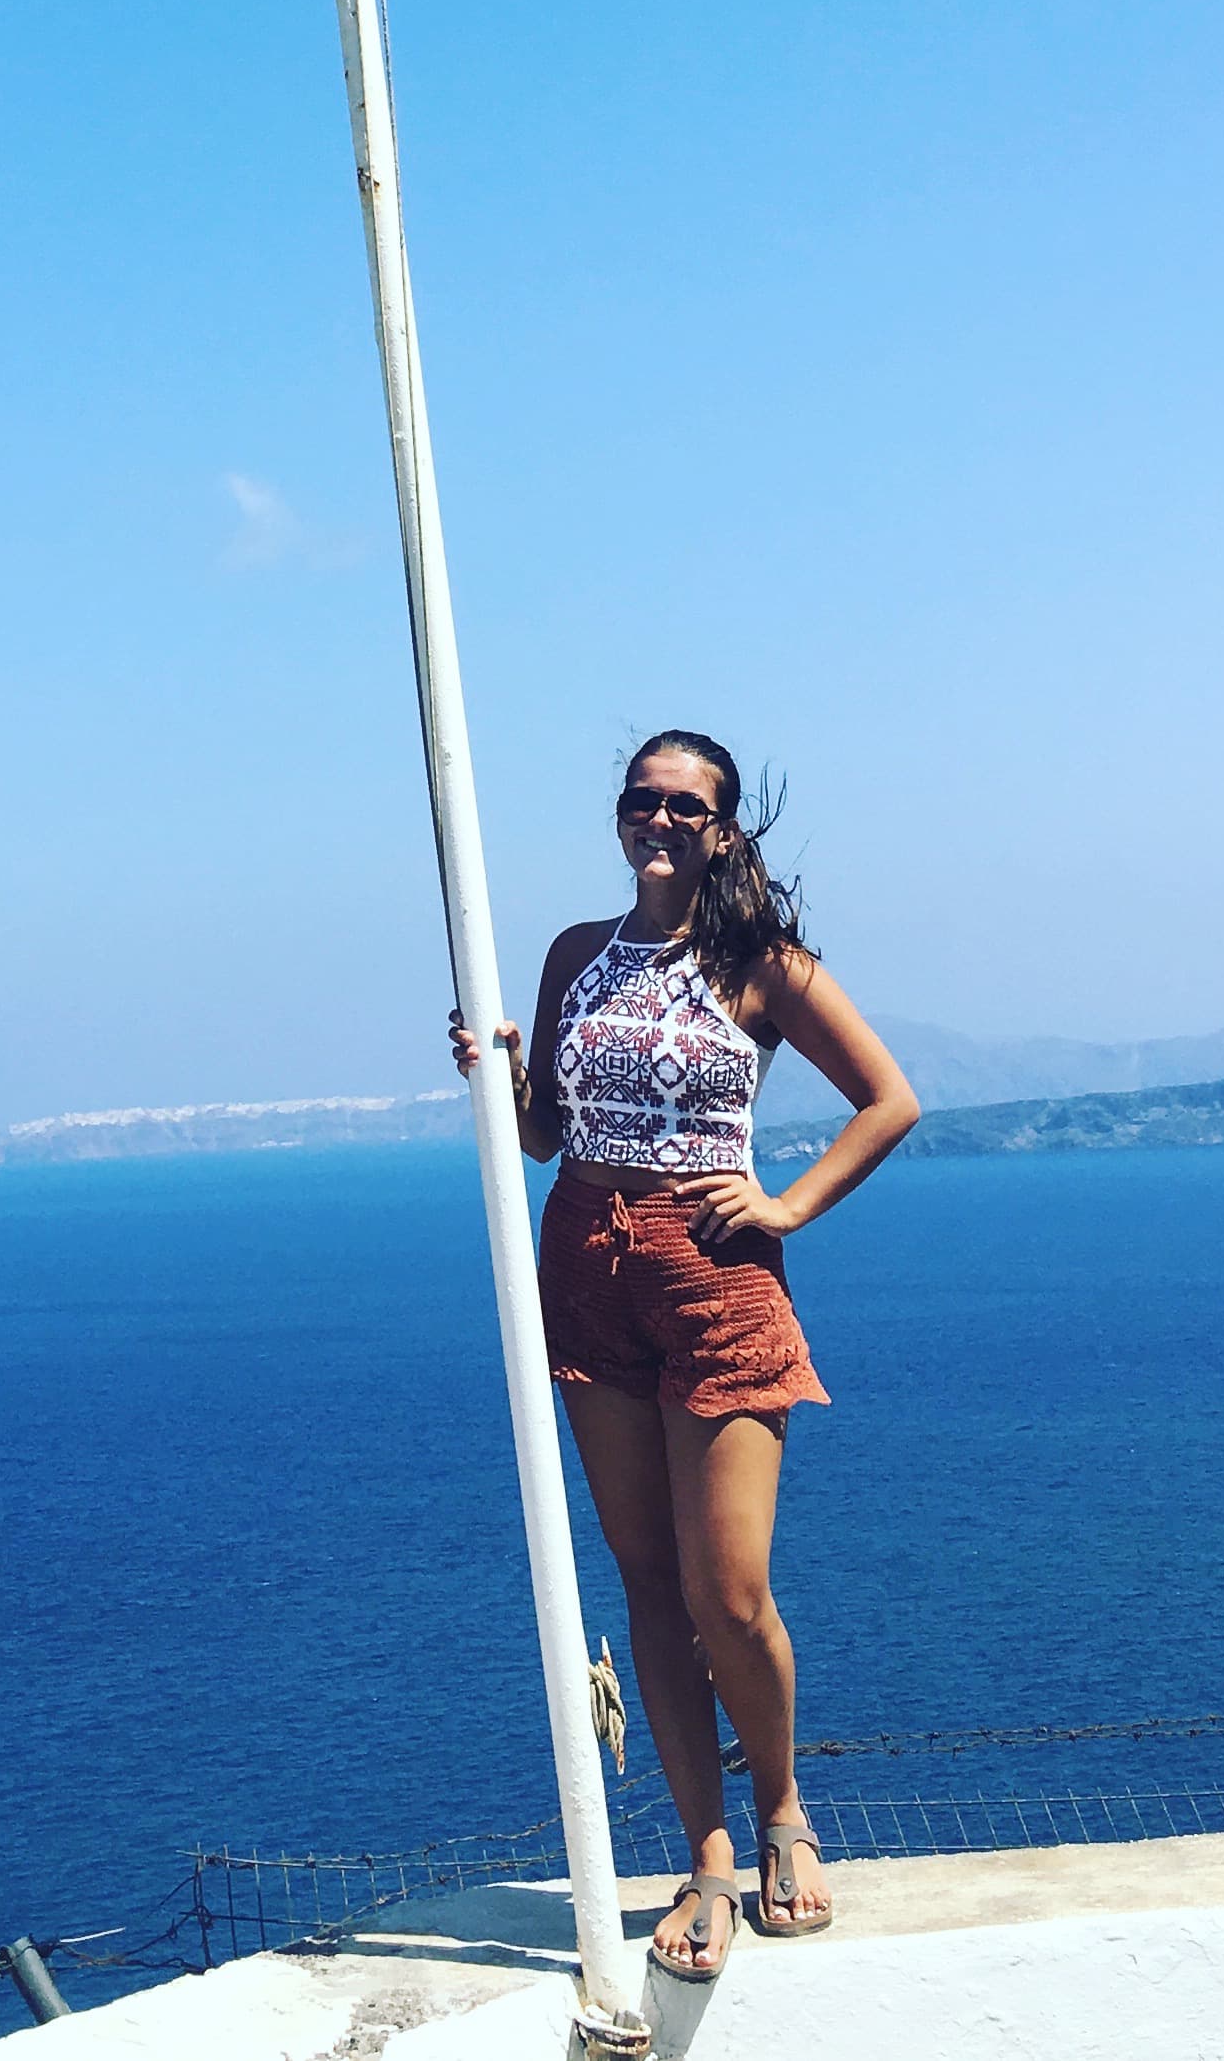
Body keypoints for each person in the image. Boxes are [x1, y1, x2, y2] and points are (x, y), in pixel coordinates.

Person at [450, 727, 918, 1984]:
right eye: (639, 797)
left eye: (684, 803)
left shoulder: (760, 964)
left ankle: (782, 1810)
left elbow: (890, 1097)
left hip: (711, 1278)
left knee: (732, 1590)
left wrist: (787, 1204)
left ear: (720, 827)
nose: (657, 817)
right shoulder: (571, 956)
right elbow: (549, 1133)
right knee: (648, 1584)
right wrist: (499, 1073)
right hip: (589, 1267)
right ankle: (708, 1851)